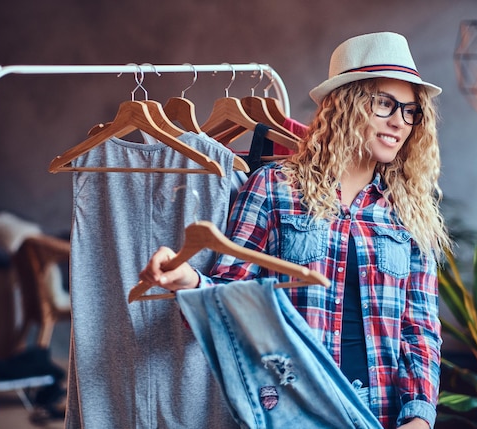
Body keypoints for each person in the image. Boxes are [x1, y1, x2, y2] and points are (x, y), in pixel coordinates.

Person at [139, 32, 452, 429]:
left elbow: (420, 329)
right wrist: (186, 281)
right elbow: (234, 307)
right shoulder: (273, 188)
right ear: (347, 104)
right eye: (384, 103)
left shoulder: (411, 213)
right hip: (294, 411)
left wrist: (420, 418)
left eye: (410, 111)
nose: (398, 121)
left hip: (381, 414)